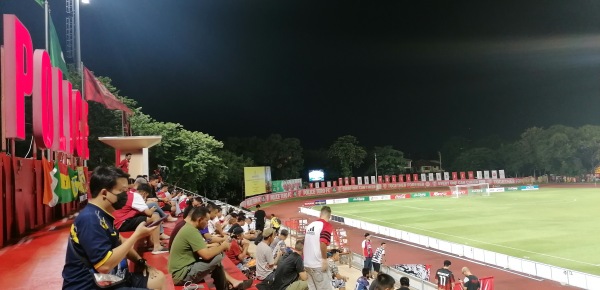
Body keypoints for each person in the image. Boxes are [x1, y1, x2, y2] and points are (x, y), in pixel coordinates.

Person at [62, 166, 167, 290]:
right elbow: (104, 266)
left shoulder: (103, 214)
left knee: (158, 278)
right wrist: (136, 236)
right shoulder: (90, 219)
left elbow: (120, 240)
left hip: (112, 278)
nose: (126, 195)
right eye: (122, 191)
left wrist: (142, 262)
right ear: (105, 193)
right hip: (90, 285)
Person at [168, 206, 252, 290]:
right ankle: (226, 286)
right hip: (182, 275)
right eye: (206, 220)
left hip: (183, 271)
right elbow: (206, 255)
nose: (207, 223)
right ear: (200, 219)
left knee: (216, 256)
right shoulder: (191, 231)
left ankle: (227, 286)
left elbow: (203, 247)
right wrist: (223, 246)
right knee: (218, 255)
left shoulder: (189, 228)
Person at [111, 183, 169, 255]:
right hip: (123, 223)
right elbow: (149, 213)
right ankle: (157, 247)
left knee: (146, 218)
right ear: (144, 193)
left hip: (117, 223)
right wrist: (152, 210)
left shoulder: (129, 193)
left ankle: (150, 242)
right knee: (155, 216)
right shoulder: (136, 196)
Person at [303, 206, 334, 290]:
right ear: (329, 216)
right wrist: (324, 259)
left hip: (307, 264)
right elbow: (323, 242)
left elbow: (306, 243)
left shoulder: (310, 225)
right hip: (317, 265)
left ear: (320, 214)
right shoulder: (326, 225)